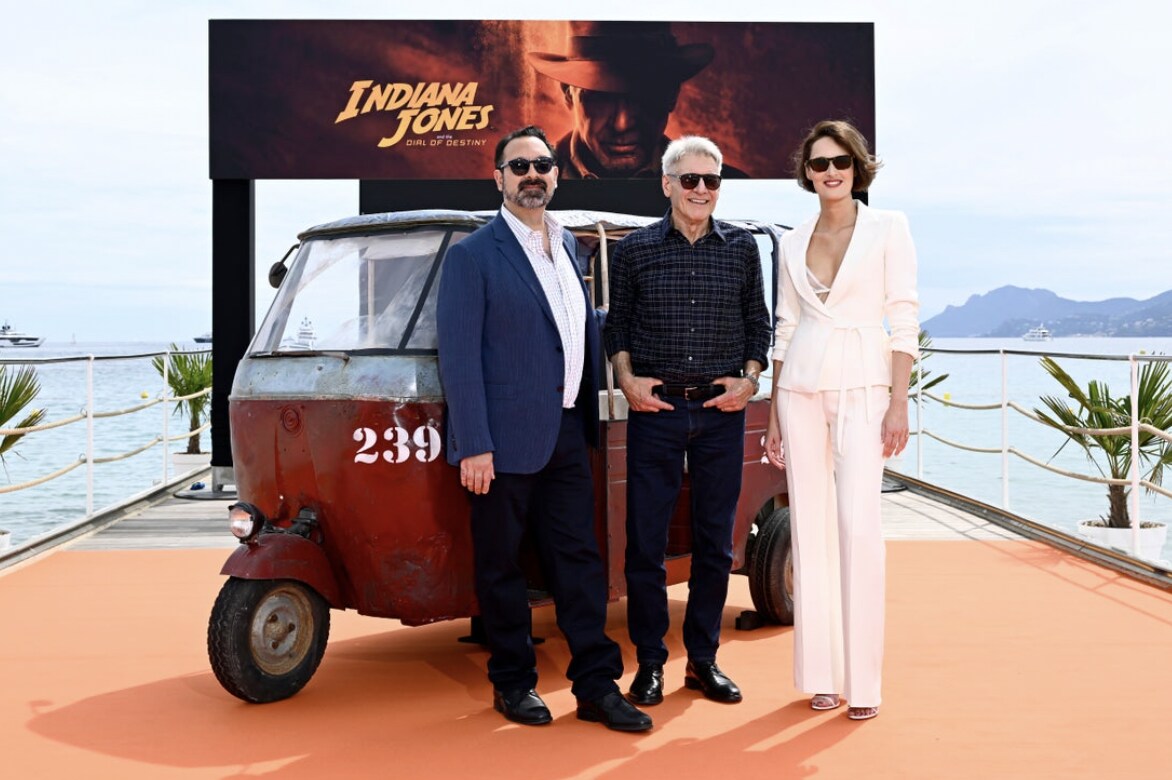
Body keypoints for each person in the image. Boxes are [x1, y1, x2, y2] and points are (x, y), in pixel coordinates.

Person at [436, 125, 652, 732]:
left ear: (557, 174)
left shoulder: (571, 249)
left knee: (578, 560)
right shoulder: (471, 256)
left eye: (543, 164)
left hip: (566, 431)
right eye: (519, 165)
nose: (533, 174)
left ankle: (596, 687)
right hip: (499, 441)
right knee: (501, 565)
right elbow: (457, 355)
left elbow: (577, 332)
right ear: (498, 178)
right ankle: (512, 683)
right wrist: (472, 443)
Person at [604, 135, 771, 705]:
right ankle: (649, 662)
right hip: (657, 413)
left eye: (713, 180)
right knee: (645, 543)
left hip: (722, 415)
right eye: (691, 179)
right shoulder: (636, 250)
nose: (702, 189)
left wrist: (749, 379)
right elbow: (617, 328)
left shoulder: (742, 249)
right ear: (668, 184)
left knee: (715, 544)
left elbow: (759, 326)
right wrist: (627, 381)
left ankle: (702, 661)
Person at [764, 119, 920, 721]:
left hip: (864, 387)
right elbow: (785, 326)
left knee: (858, 528)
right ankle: (821, 676)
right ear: (806, 172)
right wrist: (775, 411)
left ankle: (865, 684)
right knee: (810, 527)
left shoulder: (889, 228)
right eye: (819, 163)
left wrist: (899, 401)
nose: (830, 171)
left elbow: (903, 316)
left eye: (841, 162)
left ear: (857, 168)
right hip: (800, 389)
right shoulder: (791, 236)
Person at [526, 21, 749, 179]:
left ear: (671, 95)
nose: (622, 124)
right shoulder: (525, 183)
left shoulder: (729, 188)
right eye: (601, 98)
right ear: (568, 94)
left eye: (643, 97)